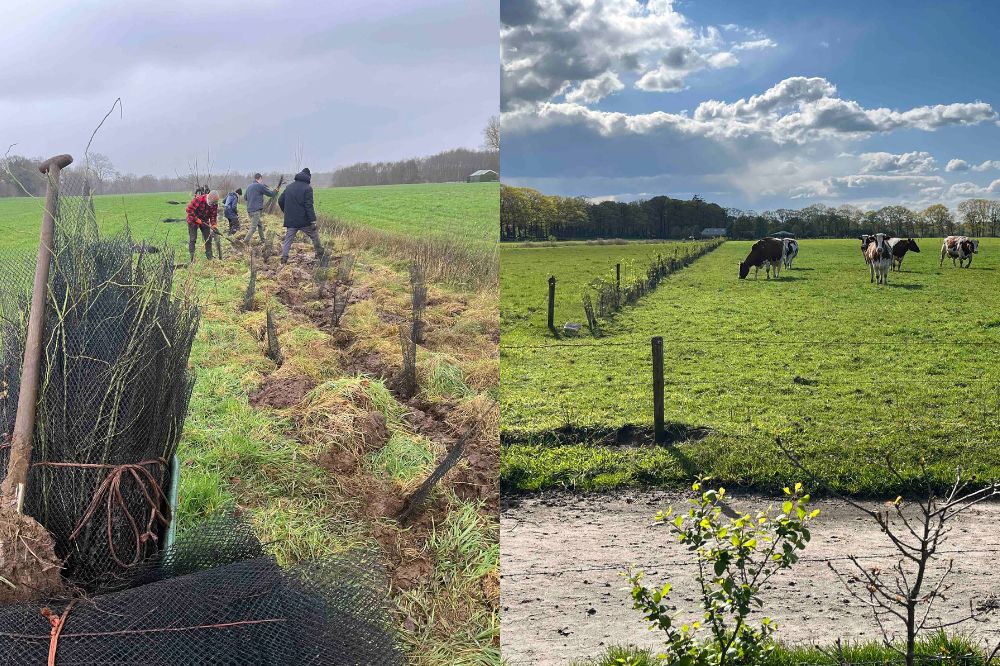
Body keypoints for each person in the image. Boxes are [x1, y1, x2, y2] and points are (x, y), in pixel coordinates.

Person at [277, 168, 324, 264]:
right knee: (314, 236)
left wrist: (285, 211)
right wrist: (313, 221)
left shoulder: (289, 187)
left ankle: (284, 258)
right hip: (304, 221)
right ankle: (320, 255)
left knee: (288, 239)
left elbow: (280, 200)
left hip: (291, 220)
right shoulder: (308, 188)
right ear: (308, 177)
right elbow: (309, 206)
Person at [243, 173, 279, 244]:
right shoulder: (260, 186)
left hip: (249, 211)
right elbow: (271, 194)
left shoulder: (249, 187)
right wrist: (276, 190)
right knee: (253, 228)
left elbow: (245, 197)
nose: (262, 181)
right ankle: (245, 241)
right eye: (261, 179)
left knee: (259, 225)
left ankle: (263, 239)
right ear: (259, 178)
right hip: (256, 211)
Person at [186, 189, 220, 261]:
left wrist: (214, 224)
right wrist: (196, 219)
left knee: (208, 238)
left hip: (204, 221)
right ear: (209, 198)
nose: (214, 204)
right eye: (213, 202)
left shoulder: (214, 204)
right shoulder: (199, 199)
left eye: (215, 203)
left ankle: (209, 256)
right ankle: (192, 258)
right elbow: (189, 210)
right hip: (193, 220)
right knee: (193, 239)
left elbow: (213, 215)